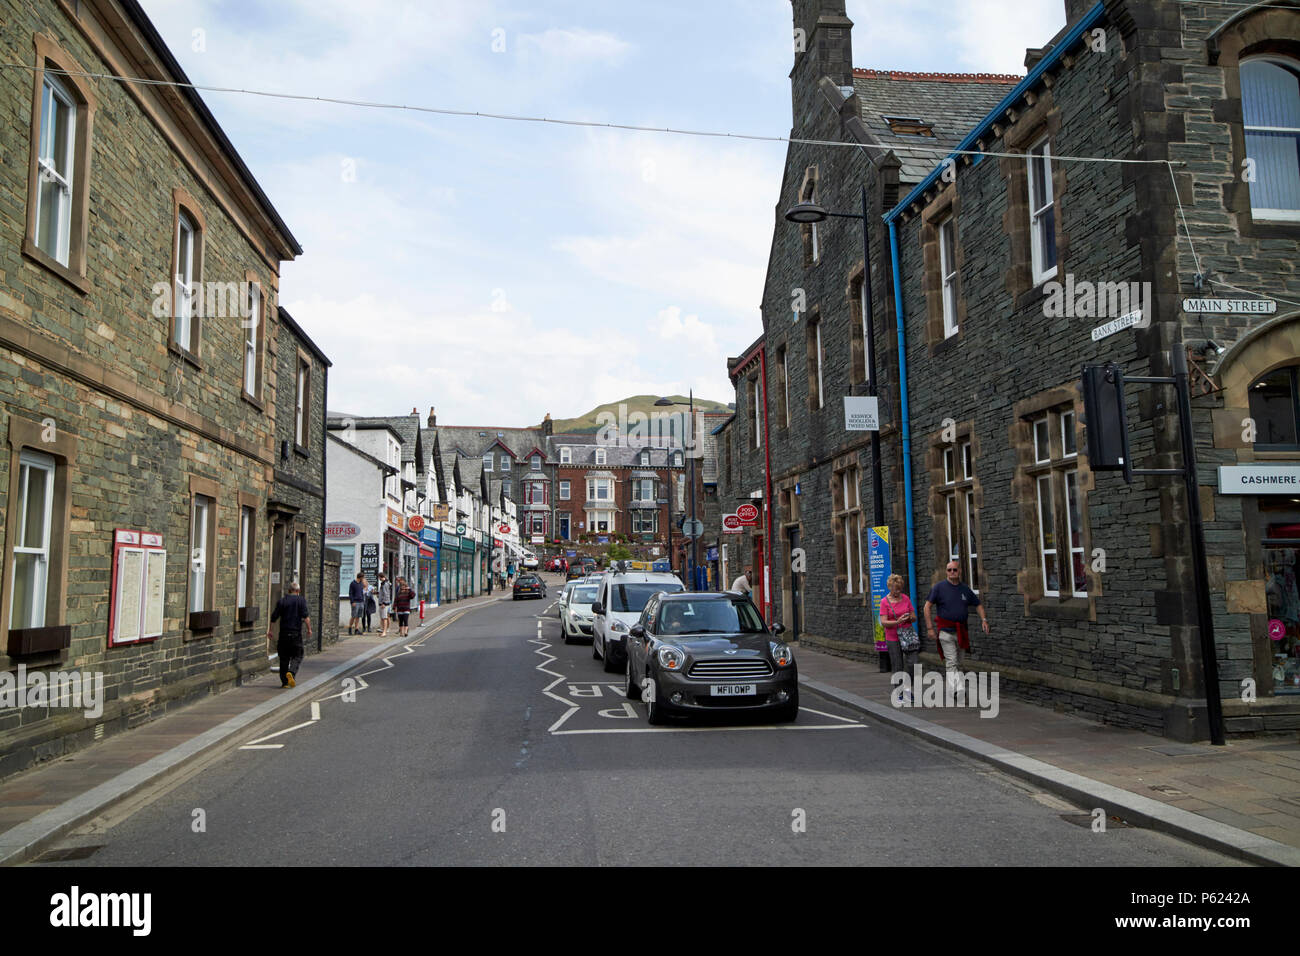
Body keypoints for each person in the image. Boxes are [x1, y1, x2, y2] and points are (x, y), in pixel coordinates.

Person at [923, 560, 990, 695]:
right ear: (946, 572)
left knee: (959, 662)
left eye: (954, 569)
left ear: (959, 571)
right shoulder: (939, 587)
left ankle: (956, 688)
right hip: (945, 632)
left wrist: (984, 620)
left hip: (961, 632)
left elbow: (978, 604)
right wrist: (930, 628)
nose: (952, 572)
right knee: (952, 661)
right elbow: (927, 607)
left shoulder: (965, 589)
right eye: (949, 570)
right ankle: (957, 689)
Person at [879, 573, 919, 696]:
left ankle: (908, 687)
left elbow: (914, 617)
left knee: (913, 664)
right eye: (895, 589)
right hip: (893, 637)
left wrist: (909, 618)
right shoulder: (884, 602)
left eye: (899, 589)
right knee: (897, 665)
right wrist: (897, 622)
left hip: (907, 635)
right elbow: (884, 622)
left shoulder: (905, 598)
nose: (897, 591)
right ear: (889, 587)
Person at [268, 581, 312, 688]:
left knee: (284, 658)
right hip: (295, 634)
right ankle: (291, 672)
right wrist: (309, 629)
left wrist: (270, 631)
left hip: (283, 634)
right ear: (298, 591)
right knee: (298, 655)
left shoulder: (282, 601)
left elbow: (274, 617)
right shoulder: (301, 600)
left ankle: (285, 683)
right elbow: (306, 617)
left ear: (289, 590)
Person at [377, 572, 393, 637]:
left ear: (380, 577)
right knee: (383, 617)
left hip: (384, 604)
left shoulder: (385, 584)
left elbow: (386, 594)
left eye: (379, 577)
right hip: (383, 603)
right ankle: (383, 630)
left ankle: (384, 632)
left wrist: (384, 603)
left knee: (384, 618)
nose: (379, 579)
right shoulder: (384, 583)